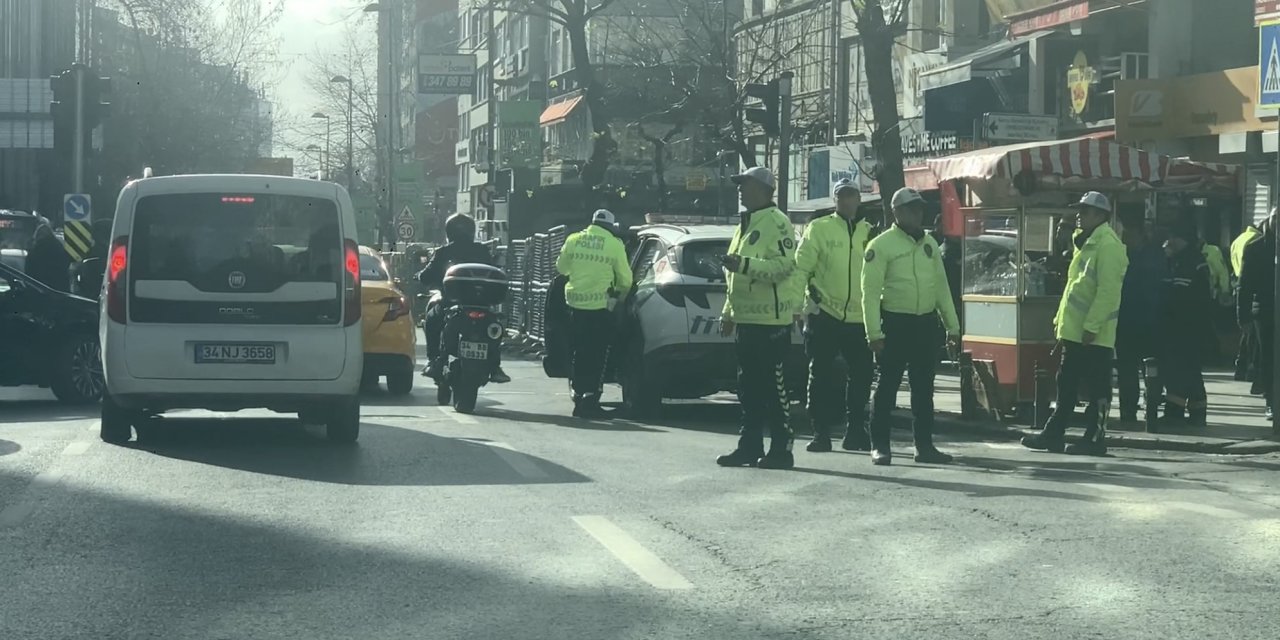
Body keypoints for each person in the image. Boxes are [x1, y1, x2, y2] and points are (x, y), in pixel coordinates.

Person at [1022, 192, 1128, 457]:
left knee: (1097, 388)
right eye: (1080, 210)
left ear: (1101, 216)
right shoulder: (1087, 243)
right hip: (1076, 331)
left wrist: (1092, 326)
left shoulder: (1109, 246)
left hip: (1094, 334)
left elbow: (1108, 292)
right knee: (1066, 383)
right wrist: (1061, 321)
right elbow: (1074, 288)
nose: (1079, 215)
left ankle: (1094, 438)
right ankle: (1054, 434)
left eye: (1086, 211)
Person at [861, 187, 959, 466]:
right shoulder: (880, 246)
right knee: (887, 387)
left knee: (924, 388)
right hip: (895, 324)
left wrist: (953, 328)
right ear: (897, 212)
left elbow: (941, 288)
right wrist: (873, 333)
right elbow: (869, 292)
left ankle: (924, 446)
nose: (918, 213)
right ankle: (880, 445)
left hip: (925, 325)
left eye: (919, 208)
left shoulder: (929, 244)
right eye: (911, 208)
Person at [715, 166, 800, 470]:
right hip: (747, 321)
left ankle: (781, 448)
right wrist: (728, 313)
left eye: (745, 184)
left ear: (764, 189)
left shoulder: (777, 223)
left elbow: (784, 266)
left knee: (774, 389)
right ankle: (749, 446)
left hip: (771, 324)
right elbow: (733, 276)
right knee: (748, 390)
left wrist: (745, 264)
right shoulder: (745, 224)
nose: (740, 189)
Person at [790, 178, 874, 453]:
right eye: (842, 196)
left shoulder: (869, 232)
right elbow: (801, 268)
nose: (847, 201)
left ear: (858, 200)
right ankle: (820, 433)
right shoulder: (820, 228)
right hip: (824, 313)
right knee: (821, 374)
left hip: (857, 317)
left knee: (861, 374)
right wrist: (798, 307)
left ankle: (855, 430)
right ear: (835, 200)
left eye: (851, 196)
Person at [554, 209, 632, 418]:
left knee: (578, 353)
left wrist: (579, 275)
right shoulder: (614, 244)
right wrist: (619, 299)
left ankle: (578, 396)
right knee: (597, 355)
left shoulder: (574, 239)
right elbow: (625, 279)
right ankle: (591, 400)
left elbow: (561, 268)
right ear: (610, 227)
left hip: (574, 305)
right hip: (600, 308)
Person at [419, 214, 511, 384]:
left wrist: (421, 276)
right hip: (482, 305)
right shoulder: (482, 251)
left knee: (431, 319)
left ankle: (434, 361)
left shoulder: (444, 252)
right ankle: (495, 366)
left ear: (449, 231)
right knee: (494, 327)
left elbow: (425, 277)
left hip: (450, 304)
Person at [1160, 220, 1213, 426]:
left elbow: (1178, 295)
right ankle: (1197, 412)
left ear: (1183, 239)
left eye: (1174, 237)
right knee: (1190, 370)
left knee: (1180, 369)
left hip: (1185, 326)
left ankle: (1175, 411)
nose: (1169, 241)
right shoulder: (1187, 259)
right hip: (1189, 326)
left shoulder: (1188, 262)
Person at [1115, 214, 1167, 422]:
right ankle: (1128, 410)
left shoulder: (1153, 256)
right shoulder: (1123, 254)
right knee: (1127, 369)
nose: (1125, 238)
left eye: (1129, 234)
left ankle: (1151, 408)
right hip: (1127, 321)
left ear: (1140, 235)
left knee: (1150, 368)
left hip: (1148, 321)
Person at [1237, 212, 1275, 421]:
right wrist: (1242, 317)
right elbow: (1245, 285)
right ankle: (1271, 400)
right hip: (1264, 310)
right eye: (1275, 217)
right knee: (1267, 357)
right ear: (1268, 219)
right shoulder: (1255, 247)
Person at [1231, 219, 1264, 380]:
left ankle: (1241, 365)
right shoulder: (1255, 241)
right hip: (1251, 288)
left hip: (1239, 282)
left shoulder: (1238, 239)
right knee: (1252, 334)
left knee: (1247, 332)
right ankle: (1248, 366)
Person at [25, 220, 71, 292]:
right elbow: (66, 266)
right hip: (60, 290)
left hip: (39, 290)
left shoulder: (35, 251)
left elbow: (28, 273)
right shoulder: (59, 248)